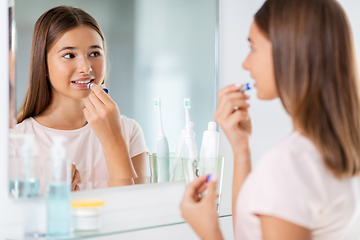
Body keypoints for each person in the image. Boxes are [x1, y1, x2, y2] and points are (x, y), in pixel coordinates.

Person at [180, 0, 360, 239]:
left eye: (253, 48)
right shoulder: (324, 152)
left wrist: (209, 232)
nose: (246, 63)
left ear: (290, 51)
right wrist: (241, 149)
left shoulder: (287, 165)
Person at [11, 6, 148, 191]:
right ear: (43, 65)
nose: (85, 67)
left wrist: (113, 140)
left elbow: (137, 214)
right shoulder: (17, 141)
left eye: (94, 53)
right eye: (69, 55)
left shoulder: (128, 132)